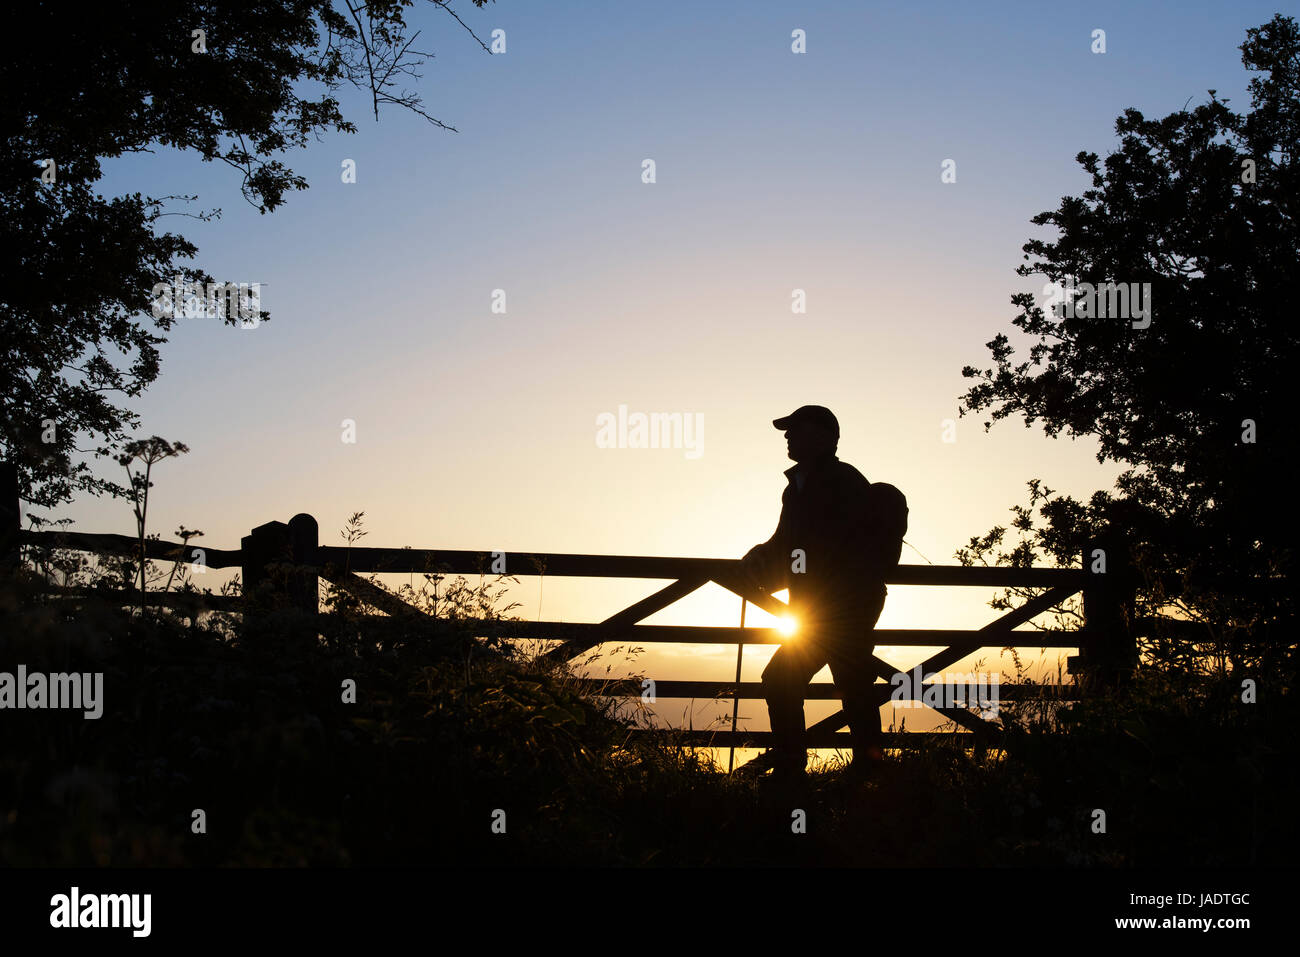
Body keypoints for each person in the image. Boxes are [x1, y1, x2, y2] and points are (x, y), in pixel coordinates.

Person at [740, 405, 903, 782]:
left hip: (844, 603)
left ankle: (797, 766)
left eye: (796, 429)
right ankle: (866, 769)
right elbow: (788, 543)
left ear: (823, 436)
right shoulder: (798, 487)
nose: (787, 436)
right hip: (826, 604)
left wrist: (770, 569)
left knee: (797, 679)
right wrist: (760, 557)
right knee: (851, 681)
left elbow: (822, 548)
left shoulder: (840, 482)